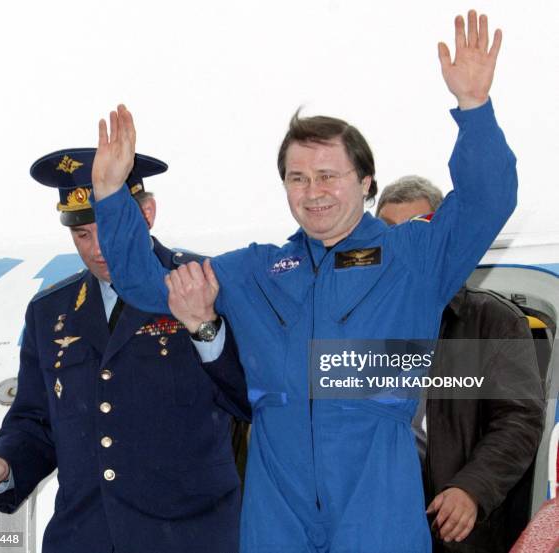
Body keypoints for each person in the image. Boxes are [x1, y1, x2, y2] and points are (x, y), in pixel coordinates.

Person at [91, 11, 515, 553]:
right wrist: (109, 196)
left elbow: (487, 201)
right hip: (277, 500)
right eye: (297, 178)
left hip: (376, 493)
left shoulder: (414, 255)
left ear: (365, 183)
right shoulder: (254, 270)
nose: (312, 191)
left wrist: (474, 109)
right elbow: (146, 286)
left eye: (328, 176)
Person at [0, 148, 249, 553]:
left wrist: (204, 328)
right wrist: (4, 464)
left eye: (108, 227)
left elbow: (252, 398)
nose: (98, 248)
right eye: (82, 234)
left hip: (189, 539)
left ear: (146, 214)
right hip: (84, 539)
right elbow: (35, 421)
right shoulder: (50, 312)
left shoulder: (206, 284)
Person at [376, 176, 544, 552]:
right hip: (376, 526)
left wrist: (471, 488)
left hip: (456, 531)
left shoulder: (491, 321)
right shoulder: (359, 325)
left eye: (419, 229)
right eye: (391, 233)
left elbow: (519, 420)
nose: (405, 244)